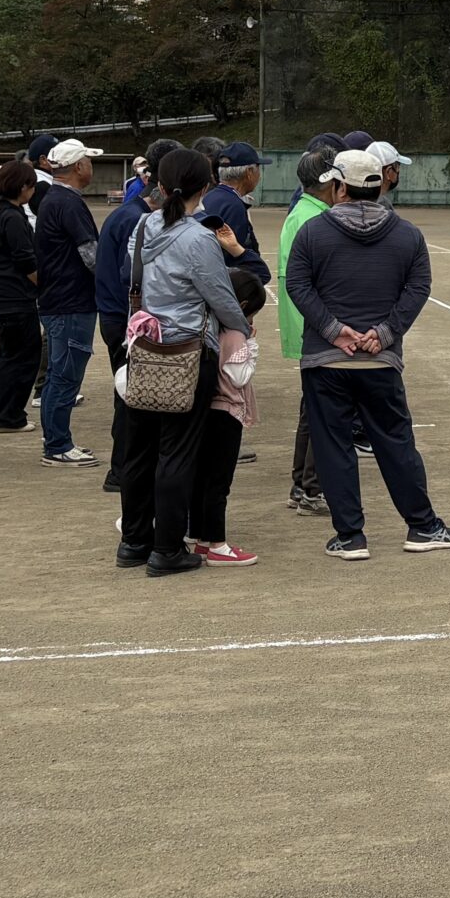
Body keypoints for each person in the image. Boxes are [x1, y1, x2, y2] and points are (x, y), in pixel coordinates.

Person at [285, 145, 450, 560]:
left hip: (325, 360)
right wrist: (384, 333)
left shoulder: (312, 232)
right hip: (380, 361)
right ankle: (423, 526)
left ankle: (350, 536)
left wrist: (333, 330)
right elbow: (418, 288)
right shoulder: (407, 235)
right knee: (396, 442)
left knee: (333, 446)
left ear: (339, 187)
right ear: (380, 185)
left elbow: (297, 285)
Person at [115, 148, 249, 577]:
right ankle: (168, 547)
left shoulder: (144, 225)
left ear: (159, 184)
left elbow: (131, 275)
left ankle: (134, 540)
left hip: (144, 345)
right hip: (188, 350)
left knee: (139, 448)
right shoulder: (198, 238)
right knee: (177, 451)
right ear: (205, 187)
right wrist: (242, 327)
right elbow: (220, 295)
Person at [94, 137, 180, 495]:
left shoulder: (130, 213)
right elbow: (130, 279)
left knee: (130, 394)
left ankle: (123, 470)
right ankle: (122, 472)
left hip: (118, 316)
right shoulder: (139, 220)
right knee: (134, 397)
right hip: (126, 320)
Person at [33, 137, 105, 465]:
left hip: (59, 299)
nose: (91, 167)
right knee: (65, 374)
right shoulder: (69, 202)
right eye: (88, 162)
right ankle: (57, 444)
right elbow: (91, 255)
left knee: (59, 373)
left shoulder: (54, 198)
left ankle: (56, 439)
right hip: (71, 301)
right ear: (78, 167)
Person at [277, 146, 340, 515]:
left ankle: (302, 484)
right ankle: (312, 488)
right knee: (325, 410)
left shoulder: (303, 212)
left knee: (312, 408)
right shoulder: (314, 219)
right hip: (316, 327)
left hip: (307, 324)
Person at [188, 269, 266, 566]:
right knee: (219, 481)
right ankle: (218, 544)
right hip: (227, 412)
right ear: (243, 307)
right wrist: (252, 347)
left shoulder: (206, 323)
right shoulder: (235, 335)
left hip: (204, 409)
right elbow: (238, 376)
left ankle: (200, 538)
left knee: (201, 477)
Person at [0, 160, 44, 430]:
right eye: (31, 186)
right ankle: (7, 415)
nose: (33, 191)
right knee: (21, 356)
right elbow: (25, 260)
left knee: (9, 354)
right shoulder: (12, 217)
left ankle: (4, 413)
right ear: (22, 187)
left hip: (3, 294)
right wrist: (44, 285)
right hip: (15, 296)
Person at [198, 142, 271, 284]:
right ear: (249, 173)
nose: (260, 175)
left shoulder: (210, 197)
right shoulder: (234, 206)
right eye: (258, 168)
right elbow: (236, 259)